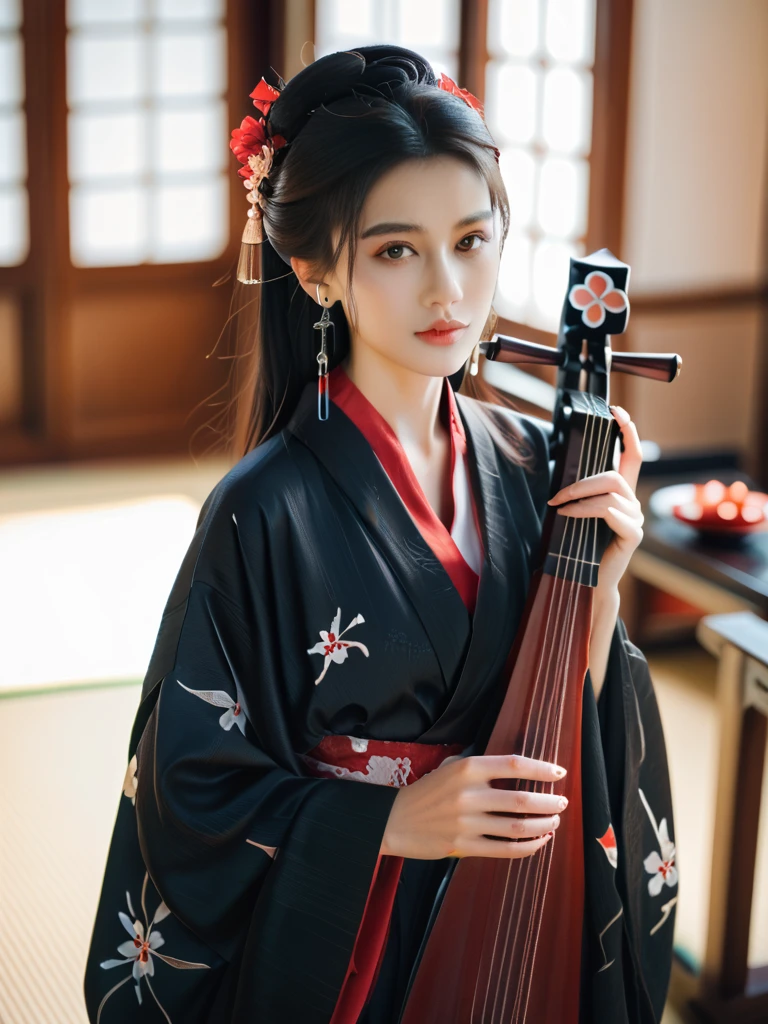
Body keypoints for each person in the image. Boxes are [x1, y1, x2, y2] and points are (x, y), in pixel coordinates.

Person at [83, 46, 677, 1024]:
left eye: (472, 241)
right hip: (346, 927)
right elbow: (192, 783)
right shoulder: (261, 508)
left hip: (515, 911)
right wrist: (390, 819)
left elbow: (569, 712)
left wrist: (600, 591)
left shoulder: (536, 463)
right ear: (315, 270)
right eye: (397, 250)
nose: (448, 289)